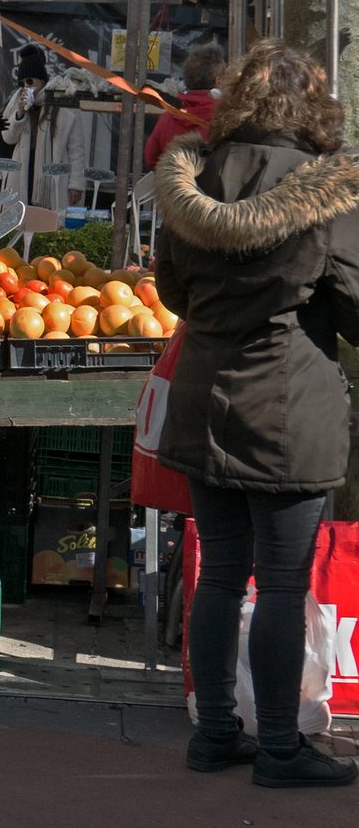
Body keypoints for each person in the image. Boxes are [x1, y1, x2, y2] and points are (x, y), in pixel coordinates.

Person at [153, 40, 359, 789]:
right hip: (288, 408)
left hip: (205, 401)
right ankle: (279, 746)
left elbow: (172, 290)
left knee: (219, 575)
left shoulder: (191, 179)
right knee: (279, 582)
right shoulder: (326, 191)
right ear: (313, 107)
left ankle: (214, 732)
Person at [0, 44, 89, 212]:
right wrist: (19, 113)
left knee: (50, 221)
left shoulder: (59, 102)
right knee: (22, 218)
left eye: (30, 81)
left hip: (51, 175)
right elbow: (8, 138)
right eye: (22, 83)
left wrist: (76, 183)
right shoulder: (17, 101)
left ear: (41, 80)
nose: (26, 86)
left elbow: (77, 150)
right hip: (23, 172)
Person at [145, 41, 225, 170]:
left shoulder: (167, 119)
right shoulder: (225, 119)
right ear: (218, 81)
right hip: (213, 189)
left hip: (174, 187)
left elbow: (151, 159)